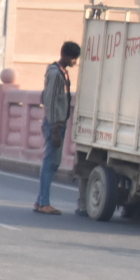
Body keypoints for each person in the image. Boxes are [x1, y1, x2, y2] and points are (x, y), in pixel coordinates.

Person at [35, 40, 81, 215]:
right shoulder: (56, 74)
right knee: (50, 163)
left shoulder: (61, 72)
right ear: (65, 55)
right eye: (73, 58)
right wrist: (54, 128)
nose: (74, 61)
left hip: (57, 123)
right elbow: (51, 100)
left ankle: (40, 201)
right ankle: (44, 203)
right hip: (55, 124)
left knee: (52, 163)